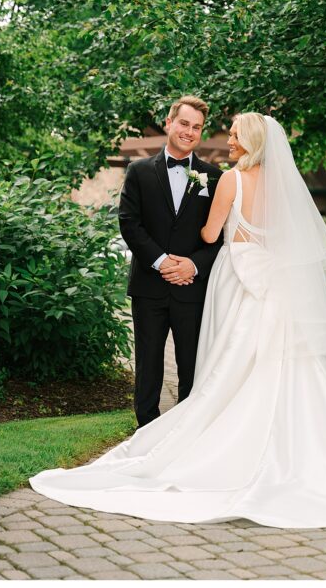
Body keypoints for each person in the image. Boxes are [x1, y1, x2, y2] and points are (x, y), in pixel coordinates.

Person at [31, 113, 326, 527]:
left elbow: (210, 234)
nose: (228, 139)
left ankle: (221, 442)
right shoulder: (282, 187)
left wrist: (199, 235)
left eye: (235, 134)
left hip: (238, 279)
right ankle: (296, 445)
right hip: (275, 283)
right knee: (281, 361)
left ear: (251, 142)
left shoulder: (229, 179)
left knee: (232, 358)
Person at [118, 96, 222, 427]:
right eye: (184, 123)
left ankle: (186, 432)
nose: (189, 132)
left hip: (192, 288)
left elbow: (221, 237)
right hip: (149, 286)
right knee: (148, 365)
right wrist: (161, 262)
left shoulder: (214, 177)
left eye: (197, 127)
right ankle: (146, 430)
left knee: (192, 365)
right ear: (169, 123)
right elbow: (129, 223)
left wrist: (193, 265)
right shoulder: (139, 171)